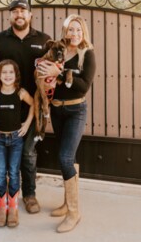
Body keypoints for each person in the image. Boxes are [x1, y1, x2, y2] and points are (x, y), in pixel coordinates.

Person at [0, 0, 51, 214]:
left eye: (23, 11)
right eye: (14, 11)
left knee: (27, 153)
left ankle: (30, 195)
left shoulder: (43, 40)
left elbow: (54, 67)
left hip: (31, 105)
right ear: (9, 16)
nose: (19, 15)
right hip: (3, 105)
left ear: (30, 15)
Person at [46, 14, 96, 233]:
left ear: (83, 32)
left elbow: (83, 86)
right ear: (64, 32)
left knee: (64, 158)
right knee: (70, 157)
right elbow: (48, 79)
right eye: (70, 30)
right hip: (57, 110)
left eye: (78, 30)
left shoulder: (88, 54)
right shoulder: (59, 51)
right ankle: (67, 204)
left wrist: (61, 73)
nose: (74, 34)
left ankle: (74, 213)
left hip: (76, 110)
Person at [0, 59, 34, 228]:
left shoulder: (20, 92)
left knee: (14, 173)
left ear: (16, 75)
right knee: (1, 172)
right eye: (4, 72)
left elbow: (34, 105)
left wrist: (27, 123)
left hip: (16, 139)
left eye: (11, 72)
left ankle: (14, 209)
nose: (7, 75)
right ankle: (2, 208)